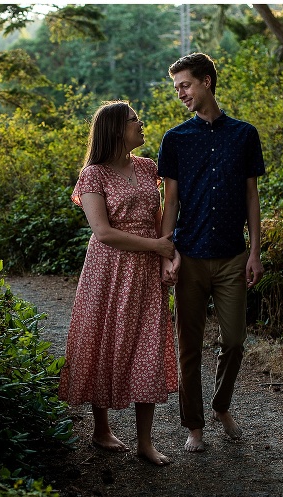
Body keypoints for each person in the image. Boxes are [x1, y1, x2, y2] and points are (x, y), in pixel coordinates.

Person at [58, 100, 179, 466]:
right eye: (133, 121)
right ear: (114, 129)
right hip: (107, 269)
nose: (141, 124)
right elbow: (103, 232)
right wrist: (157, 246)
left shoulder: (147, 168)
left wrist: (167, 258)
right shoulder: (93, 174)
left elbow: (159, 217)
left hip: (145, 272)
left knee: (147, 343)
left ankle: (145, 441)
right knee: (104, 339)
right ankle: (101, 429)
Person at [158, 53, 265, 452]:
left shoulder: (244, 134)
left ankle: (222, 406)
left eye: (185, 85)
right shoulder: (175, 139)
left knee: (234, 341)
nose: (180, 94)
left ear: (206, 81)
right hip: (189, 257)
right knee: (188, 347)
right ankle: (194, 427)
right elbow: (170, 203)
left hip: (233, 256)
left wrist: (255, 251)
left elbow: (252, 196)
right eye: (177, 89)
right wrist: (167, 253)